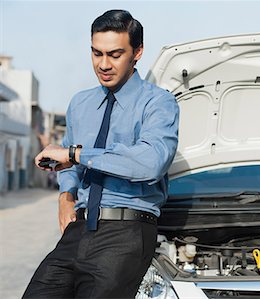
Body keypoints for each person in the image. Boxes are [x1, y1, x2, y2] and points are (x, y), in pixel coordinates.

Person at [23, 9, 179, 298]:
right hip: (78, 229)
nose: (103, 64)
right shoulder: (80, 103)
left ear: (138, 52)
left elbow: (150, 162)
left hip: (126, 231)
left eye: (115, 54)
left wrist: (75, 154)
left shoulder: (159, 103)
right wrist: (65, 196)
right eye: (97, 53)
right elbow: (67, 162)